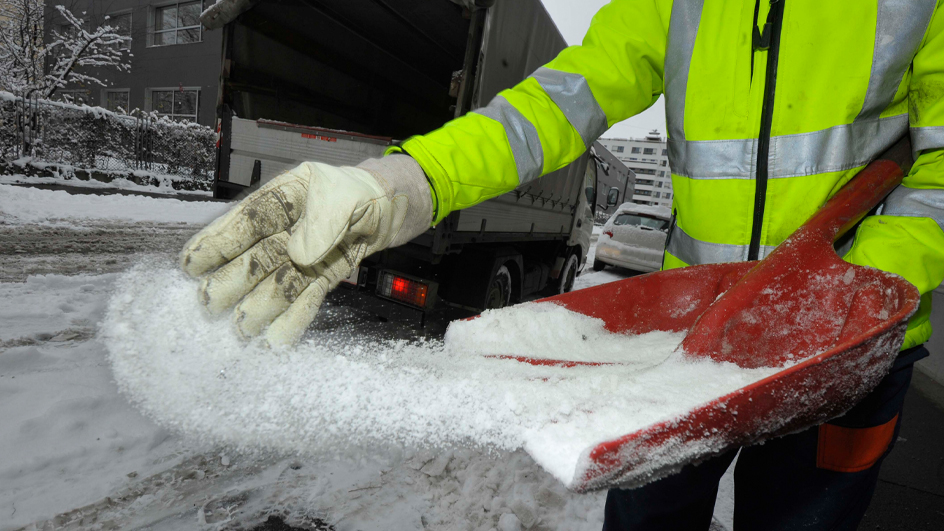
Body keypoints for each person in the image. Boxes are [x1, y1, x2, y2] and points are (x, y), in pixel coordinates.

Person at [180, 0, 944, 528]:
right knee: (648, 520)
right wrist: (409, 182)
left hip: (850, 350)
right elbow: (553, 105)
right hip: (692, 342)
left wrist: (862, 285)